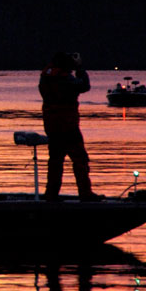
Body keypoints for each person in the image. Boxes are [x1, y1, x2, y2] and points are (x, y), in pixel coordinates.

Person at [39, 51, 101, 201]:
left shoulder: (45, 77)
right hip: (68, 126)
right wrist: (80, 68)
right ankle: (85, 193)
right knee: (80, 159)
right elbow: (84, 86)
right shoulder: (65, 79)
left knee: (55, 160)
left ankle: (51, 194)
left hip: (52, 125)